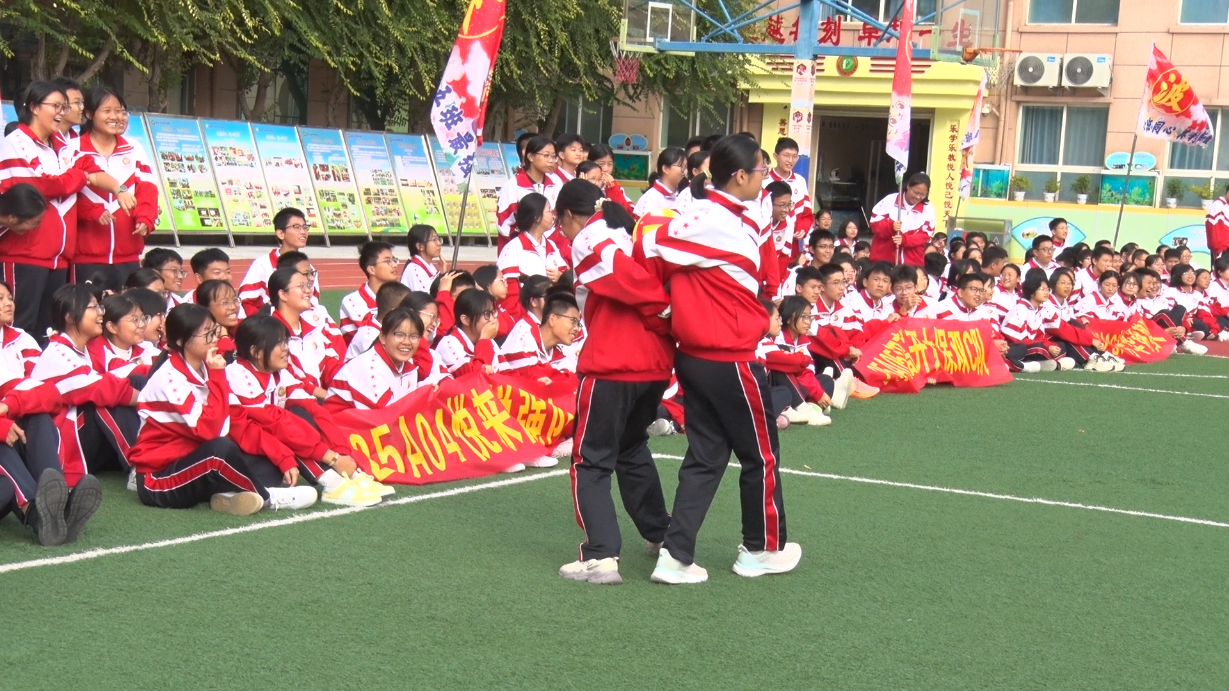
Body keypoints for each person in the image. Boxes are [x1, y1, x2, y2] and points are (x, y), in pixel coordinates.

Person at [640, 134, 799, 584]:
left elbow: (656, 243)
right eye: (761, 170)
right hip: (730, 354)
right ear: (740, 175)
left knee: (706, 456)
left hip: (696, 354)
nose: (765, 177)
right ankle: (760, 549)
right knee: (760, 455)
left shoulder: (708, 213)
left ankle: (675, 556)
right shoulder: (716, 220)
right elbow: (652, 243)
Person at [550, 178, 675, 585]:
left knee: (591, 460)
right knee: (631, 447)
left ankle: (601, 554)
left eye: (561, 222)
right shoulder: (634, 228)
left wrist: (661, 309)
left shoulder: (591, 235)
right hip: (655, 362)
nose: (562, 231)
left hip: (613, 362)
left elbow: (626, 278)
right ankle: (661, 533)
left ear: (570, 215)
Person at [129, 304, 317, 514]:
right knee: (220, 450)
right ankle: (268, 497)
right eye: (207, 335)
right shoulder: (169, 378)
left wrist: (282, 456)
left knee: (267, 464)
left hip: (196, 463)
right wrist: (218, 376)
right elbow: (212, 432)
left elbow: (236, 420)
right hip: (158, 479)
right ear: (181, 341)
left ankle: (229, 495)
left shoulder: (207, 367)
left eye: (215, 331)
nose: (214, 339)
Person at [0, 82, 131, 344]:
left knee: (49, 329)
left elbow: (93, 171)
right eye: (57, 106)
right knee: (18, 327)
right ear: (34, 107)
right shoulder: (17, 142)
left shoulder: (63, 144)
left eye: (65, 107)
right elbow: (44, 185)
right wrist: (79, 176)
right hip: (25, 253)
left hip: (58, 257)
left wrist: (120, 189)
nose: (63, 112)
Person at [226, 315, 383, 507]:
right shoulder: (237, 374)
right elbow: (268, 424)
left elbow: (315, 410)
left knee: (302, 412)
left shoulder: (278, 373)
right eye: (278, 344)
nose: (286, 348)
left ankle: (347, 475)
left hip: (266, 447)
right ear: (256, 352)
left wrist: (341, 452)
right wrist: (331, 458)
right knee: (287, 426)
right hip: (240, 454)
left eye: (285, 342)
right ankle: (332, 483)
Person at [31, 284, 140, 486]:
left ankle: (158, 454)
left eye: (100, 307)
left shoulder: (89, 347)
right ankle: (140, 467)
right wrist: (146, 399)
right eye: (93, 307)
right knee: (105, 399)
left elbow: (121, 369)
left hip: (85, 438)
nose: (101, 313)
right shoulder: (57, 352)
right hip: (62, 443)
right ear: (70, 317)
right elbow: (99, 389)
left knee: (133, 380)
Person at [66, 85, 157, 291]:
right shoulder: (72, 150)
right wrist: (92, 211)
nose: (115, 117)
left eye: (120, 111)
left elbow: (147, 190)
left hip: (128, 253)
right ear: (89, 114)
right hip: (85, 256)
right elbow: (66, 196)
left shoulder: (134, 149)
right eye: (107, 111)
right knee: (88, 307)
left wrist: (145, 218)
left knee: (128, 306)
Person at [326, 307, 448, 413]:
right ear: (383, 337)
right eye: (399, 335)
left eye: (414, 336)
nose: (407, 342)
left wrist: (426, 394)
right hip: (338, 426)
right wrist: (424, 398)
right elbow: (390, 417)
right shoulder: (371, 369)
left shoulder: (408, 366)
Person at [267, 267, 345, 396]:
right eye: (301, 286)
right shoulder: (270, 332)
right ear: (283, 295)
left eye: (308, 286)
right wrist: (327, 396)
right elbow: (290, 378)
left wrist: (345, 385)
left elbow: (328, 364)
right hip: (291, 401)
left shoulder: (312, 328)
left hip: (318, 398)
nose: (308, 291)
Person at [237, 207, 319, 316]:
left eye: (305, 227)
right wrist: (263, 322)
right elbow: (246, 301)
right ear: (280, 233)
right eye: (297, 227)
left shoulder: (310, 269)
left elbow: (313, 304)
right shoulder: (263, 264)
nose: (303, 232)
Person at [498, 192, 568, 311]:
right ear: (536, 217)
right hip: (526, 317)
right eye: (549, 211)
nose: (553, 215)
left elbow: (566, 281)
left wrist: (561, 278)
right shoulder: (513, 249)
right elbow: (508, 295)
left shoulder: (552, 247)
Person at [495, 135, 559, 251]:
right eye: (546, 155)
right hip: (519, 250)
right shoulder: (514, 185)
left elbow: (557, 220)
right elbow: (504, 223)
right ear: (530, 156)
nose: (551, 161)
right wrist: (526, 241)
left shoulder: (555, 184)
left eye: (553, 156)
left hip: (549, 249)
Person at [1000, 276, 1075, 373]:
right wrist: (1047, 347)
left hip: (1031, 345)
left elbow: (1040, 336)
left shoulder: (1038, 310)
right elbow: (1018, 340)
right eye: (1042, 289)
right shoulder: (1020, 308)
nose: (1046, 292)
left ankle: (1041, 364)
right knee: (1039, 348)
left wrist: (1049, 345)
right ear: (1032, 293)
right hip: (1016, 347)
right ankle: (1052, 364)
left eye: (1047, 289)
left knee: (1061, 346)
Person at [868, 172, 935, 266]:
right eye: (915, 192)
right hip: (884, 259)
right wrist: (891, 227)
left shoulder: (928, 209)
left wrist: (905, 240)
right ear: (908, 186)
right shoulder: (890, 200)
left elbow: (925, 235)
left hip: (912, 262)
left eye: (922, 195)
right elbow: (875, 224)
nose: (918, 197)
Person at [435, 288, 504, 376]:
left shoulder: (488, 340)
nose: (492, 319)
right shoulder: (448, 344)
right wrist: (484, 341)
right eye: (487, 314)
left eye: (493, 312)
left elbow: (507, 373)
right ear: (465, 320)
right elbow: (474, 377)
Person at [86, 293, 156, 380]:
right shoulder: (95, 351)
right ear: (112, 327)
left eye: (143, 318)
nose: (142, 325)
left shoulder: (145, 347)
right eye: (135, 320)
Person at [341, 240, 398, 339]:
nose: (394, 265)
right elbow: (371, 335)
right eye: (387, 261)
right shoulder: (353, 301)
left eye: (394, 260)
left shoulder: (399, 295)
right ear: (371, 269)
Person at [764, 137, 814, 244]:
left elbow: (806, 213)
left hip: (792, 240)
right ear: (775, 156)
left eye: (794, 156)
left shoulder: (800, 181)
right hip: (768, 238)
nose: (790, 160)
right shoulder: (765, 180)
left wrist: (802, 229)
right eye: (786, 155)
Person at [345, 281, 411, 361]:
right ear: (394, 313)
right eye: (409, 311)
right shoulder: (369, 336)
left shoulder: (379, 328)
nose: (413, 316)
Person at [632, 147, 686, 219]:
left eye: (685, 167)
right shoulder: (650, 198)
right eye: (681, 166)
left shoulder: (684, 195)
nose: (684, 171)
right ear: (665, 169)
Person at [194, 279, 241, 358]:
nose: (233, 307)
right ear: (206, 308)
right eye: (225, 303)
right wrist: (224, 337)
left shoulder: (243, 327)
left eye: (235, 300)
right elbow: (228, 361)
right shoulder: (204, 340)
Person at [585, 143, 635, 215]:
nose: (606, 169)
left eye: (610, 164)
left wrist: (612, 189)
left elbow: (628, 212)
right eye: (601, 164)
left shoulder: (615, 186)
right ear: (590, 163)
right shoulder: (582, 182)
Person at [400, 224, 441, 293]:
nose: (439, 243)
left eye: (438, 239)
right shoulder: (416, 271)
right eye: (434, 240)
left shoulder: (428, 266)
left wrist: (443, 273)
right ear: (420, 246)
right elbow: (426, 298)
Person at [1206, 183, 1229, 260]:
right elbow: (1213, 228)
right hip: (1220, 250)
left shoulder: (1227, 206)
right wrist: (1218, 249)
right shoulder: (1218, 205)